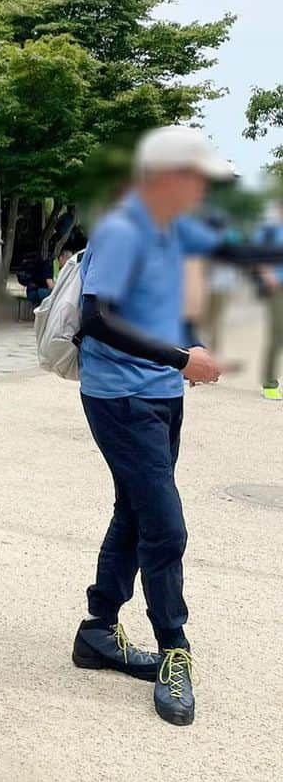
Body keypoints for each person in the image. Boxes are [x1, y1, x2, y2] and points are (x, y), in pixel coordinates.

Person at [70, 126, 283, 727]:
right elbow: (96, 319)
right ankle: (174, 651)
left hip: (162, 396)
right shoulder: (123, 228)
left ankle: (97, 631)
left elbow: (177, 302)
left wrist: (191, 343)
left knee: (136, 511)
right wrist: (181, 358)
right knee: (165, 526)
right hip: (121, 397)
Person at [253, 202, 283, 400]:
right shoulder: (270, 231)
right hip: (277, 290)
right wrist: (266, 275)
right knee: (277, 334)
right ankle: (269, 382)